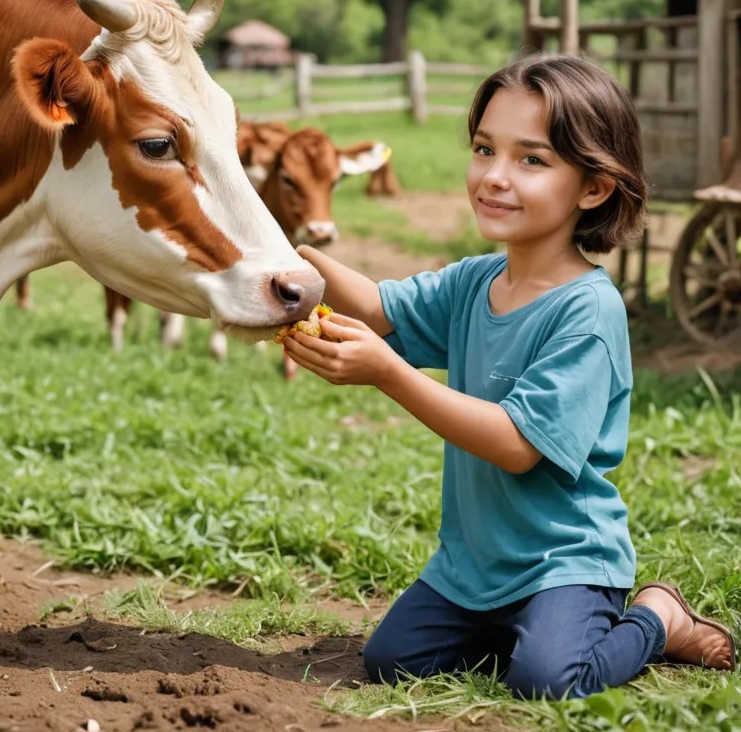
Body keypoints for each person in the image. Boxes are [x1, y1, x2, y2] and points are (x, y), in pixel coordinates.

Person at [282, 55, 736, 699]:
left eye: (531, 160)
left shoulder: (588, 312)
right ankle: (522, 630)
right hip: (473, 567)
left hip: (564, 563)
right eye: (483, 149)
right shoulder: (476, 280)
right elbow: (380, 307)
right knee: (391, 659)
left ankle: (657, 618)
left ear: (594, 188)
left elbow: (517, 445)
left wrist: (387, 373)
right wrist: (276, 250)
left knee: (550, 680)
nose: (494, 176)